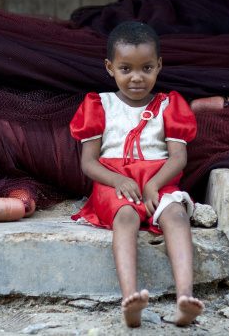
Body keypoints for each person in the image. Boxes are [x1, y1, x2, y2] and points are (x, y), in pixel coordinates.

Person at [69, 21, 204, 327]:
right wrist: (117, 179)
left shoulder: (170, 105)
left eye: (146, 68)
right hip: (114, 184)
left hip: (160, 180)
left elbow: (178, 156)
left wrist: (155, 184)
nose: (136, 77)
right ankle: (130, 299)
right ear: (109, 67)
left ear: (159, 65)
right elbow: (88, 163)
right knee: (126, 217)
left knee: (177, 215)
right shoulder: (98, 105)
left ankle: (185, 298)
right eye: (126, 68)